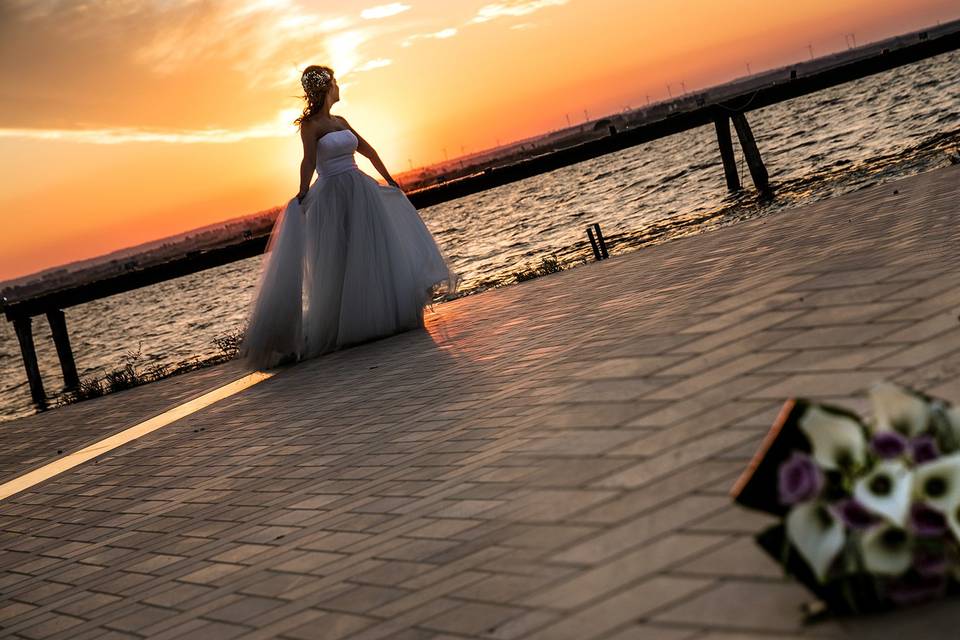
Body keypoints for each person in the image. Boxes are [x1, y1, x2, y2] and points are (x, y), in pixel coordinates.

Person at [238, 65, 456, 370]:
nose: (340, 87)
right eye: (336, 83)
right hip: (331, 195)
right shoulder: (311, 126)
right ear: (327, 88)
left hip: (360, 188)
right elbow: (309, 161)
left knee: (372, 249)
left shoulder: (341, 121)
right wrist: (302, 193)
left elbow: (367, 149)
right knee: (340, 255)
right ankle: (347, 323)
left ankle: (382, 312)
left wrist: (389, 179)